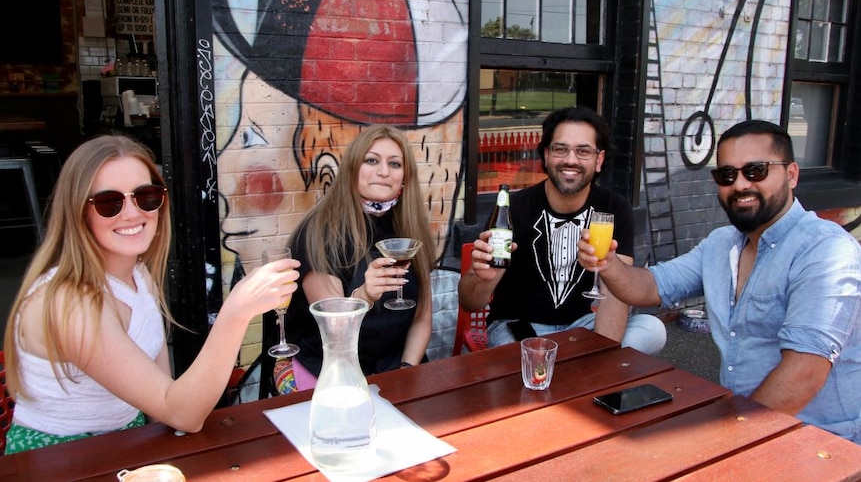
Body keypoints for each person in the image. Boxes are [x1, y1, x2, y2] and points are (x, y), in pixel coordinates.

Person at [2, 135, 300, 454]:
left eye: (145, 196)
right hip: (57, 456)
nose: (132, 214)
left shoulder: (137, 273)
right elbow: (181, 413)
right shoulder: (72, 301)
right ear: (77, 212)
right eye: (109, 202)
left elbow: (164, 401)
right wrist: (237, 312)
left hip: (125, 440)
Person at [578, 119, 861, 444]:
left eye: (755, 170)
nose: (740, 184)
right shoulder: (722, 243)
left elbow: (804, 373)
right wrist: (608, 263)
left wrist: (727, 441)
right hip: (747, 423)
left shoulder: (826, 249)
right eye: (726, 175)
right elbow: (650, 286)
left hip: (818, 443)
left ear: (791, 174)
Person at [458, 107, 666, 354]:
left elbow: (615, 294)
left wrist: (603, 354)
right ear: (546, 155)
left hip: (581, 327)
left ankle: (577, 370)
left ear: (598, 160)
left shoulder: (613, 209)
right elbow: (470, 303)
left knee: (652, 329)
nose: (571, 160)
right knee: (519, 358)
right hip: (521, 329)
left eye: (583, 151)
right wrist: (483, 279)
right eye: (560, 149)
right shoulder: (513, 208)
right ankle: (570, 371)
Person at [279, 124, 435, 391]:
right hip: (327, 367)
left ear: (405, 176)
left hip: (394, 369)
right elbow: (334, 332)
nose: (384, 172)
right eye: (371, 160)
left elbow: (422, 318)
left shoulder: (409, 228)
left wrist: (405, 370)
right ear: (352, 169)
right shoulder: (319, 232)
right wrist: (364, 296)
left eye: (395, 164)